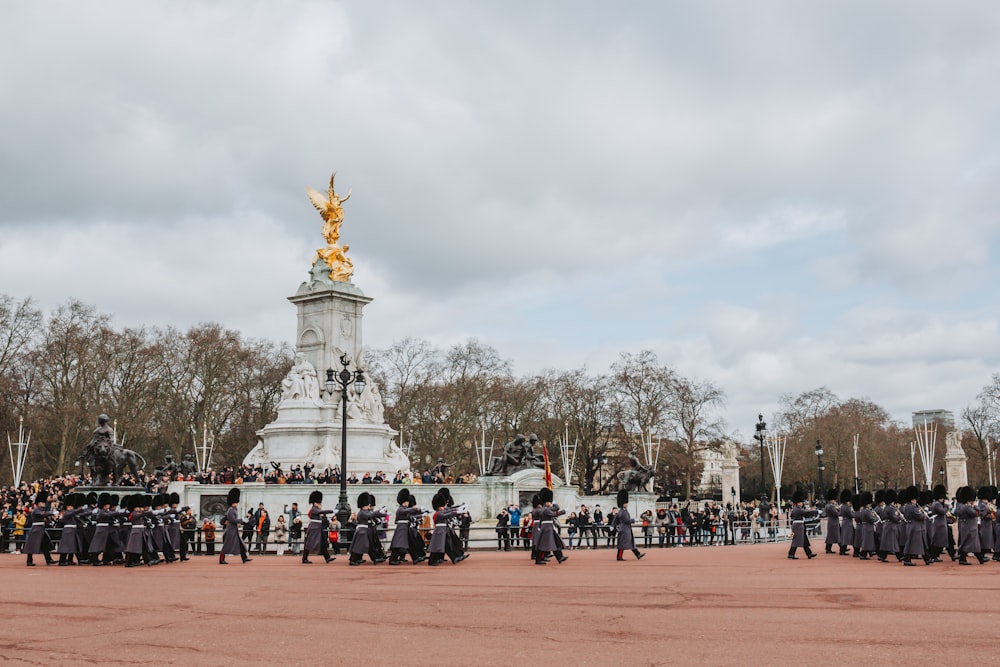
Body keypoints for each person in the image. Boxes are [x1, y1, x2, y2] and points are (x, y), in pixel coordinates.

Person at [389, 489, 425, 565]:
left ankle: (415, 558)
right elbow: (408, 511)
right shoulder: (400, 509)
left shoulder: (404, 509)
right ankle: (392, 560)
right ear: (404, 502)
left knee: (409, 544)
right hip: (402, 528)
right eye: (407, 501)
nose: (408, 503)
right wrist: (418, 509)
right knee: (398, 544)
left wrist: (422, 514)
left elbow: (410, 515)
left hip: (405, 528)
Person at [532, 487, 567, 565]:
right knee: (544, 544)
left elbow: (556, 508)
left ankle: (559, 557)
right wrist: (563, 512)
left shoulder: (546, 508)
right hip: (547, 528)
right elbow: (554, 514)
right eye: (549, 501)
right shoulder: (546, 509)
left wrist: (553, 503)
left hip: (549, 527)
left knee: (555, 541)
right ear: (546, 502)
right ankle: (539, 559)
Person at [220, 487, 252, 565]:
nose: (237, 503)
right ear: (233, 502)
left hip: (233, 530)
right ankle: (221, 559)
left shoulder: (233, 510)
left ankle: (244, 558)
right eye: (236, 502)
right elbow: (232, 520)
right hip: (230, 530)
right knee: (226, 545)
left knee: (241, 544)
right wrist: (242, 520)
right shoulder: (231, 510)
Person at [301, 490, 334, 564]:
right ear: (314, 503)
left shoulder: (316, 508)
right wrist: (332, 511)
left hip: (318, 527)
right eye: (318, 503)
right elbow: (321, 512)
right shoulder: (314, 509)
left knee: (322, 542)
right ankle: (304, 558)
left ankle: (327, 557)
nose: (319, 504)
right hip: (314, 528)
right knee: (309, 543)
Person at [956, 486, 985, 565]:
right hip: (970, 527)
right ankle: (980, 559)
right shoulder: (967, 507)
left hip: (966, 526)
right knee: (971, 543)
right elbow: (975, 513)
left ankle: (965, 559)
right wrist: (975, 506)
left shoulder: (961, 506)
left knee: (967, 543)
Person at [25, 490, 55, 566]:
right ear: (38, 503)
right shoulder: (36, 510)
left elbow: (44, 517)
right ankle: (29, 560)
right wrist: (52, 513)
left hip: (41, 529)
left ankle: (49, 559)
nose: (44, 504)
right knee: (32, 545)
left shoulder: (41, 509)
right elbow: (42, 514)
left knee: (45, 544)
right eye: (42, 502)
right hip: (36, 529)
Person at [786, 490, 818, 560]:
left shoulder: (796, 508)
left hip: (799, 525)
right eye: (801, 502)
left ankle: (809, 553)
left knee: (803, 539)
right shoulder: (798, 509)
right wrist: (816, 511)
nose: (802, 503)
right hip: (798, 525)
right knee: (796, 540)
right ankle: (791, 554)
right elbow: (806, 512)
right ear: (798, 502)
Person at [612, 490, 644, 561]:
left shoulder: (622, 511)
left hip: (626, 529)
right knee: (624, 543)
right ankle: (619, 556)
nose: (627, 504)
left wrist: (613, 525)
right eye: (626, 503)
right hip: (624, 529)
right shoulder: (623, 511)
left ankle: (638, 554)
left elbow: (616, 519)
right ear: (623, 503)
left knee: (630, 542)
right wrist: (634, 519)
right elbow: (626, 520)